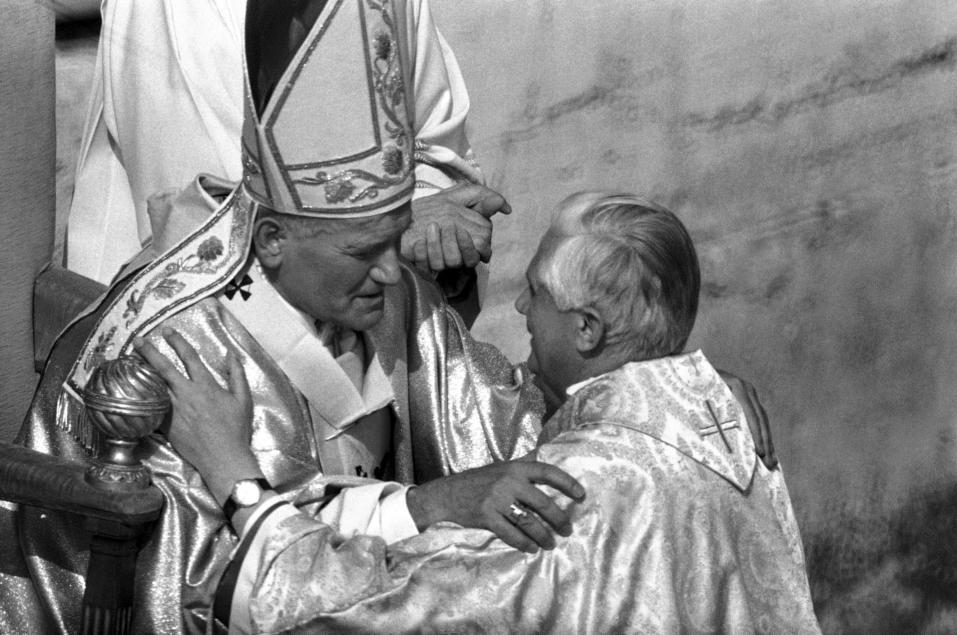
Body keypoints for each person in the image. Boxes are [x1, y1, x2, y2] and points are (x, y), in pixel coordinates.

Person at [2, 2, 584, 633]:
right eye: (363, 250)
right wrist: (422, 507)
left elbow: (510, 431)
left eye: (399, 235)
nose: (394, 273)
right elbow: (190, 588)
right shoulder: (173, 350)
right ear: (272, 239)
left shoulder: (389, 286)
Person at [147, 191, 819, 633]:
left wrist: (237, 479)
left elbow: (337, 611)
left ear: (587, 330)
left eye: (534, 295)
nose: (520, 311)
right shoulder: (720, 424)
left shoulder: (561, 500)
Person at [66, 0, 500, 326]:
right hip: (223, 322)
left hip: (372, 288)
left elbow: (429, 135)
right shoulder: (170, 10)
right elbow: (194, 215)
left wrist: (434, 222)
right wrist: (392, 229)